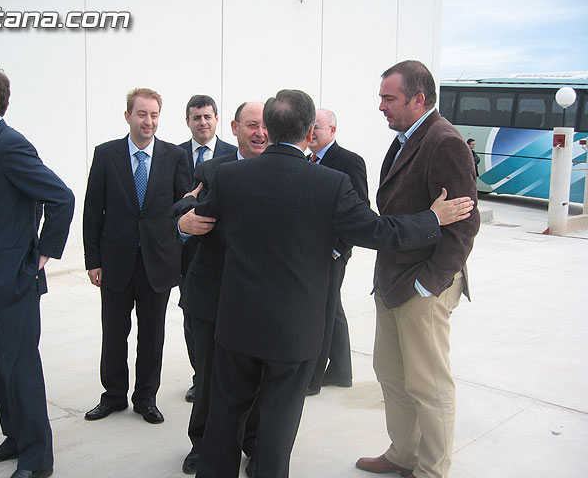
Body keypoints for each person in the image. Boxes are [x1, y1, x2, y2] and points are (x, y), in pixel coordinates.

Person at [187, 89, 475, 478]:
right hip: (294, 330)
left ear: (268, 129)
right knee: (277, 428)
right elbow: (377, 231)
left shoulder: (227, 175)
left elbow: (197, 216)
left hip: (236, 323)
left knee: (225, 419)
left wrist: (180, 219)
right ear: (309, 132)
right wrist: (432, 219)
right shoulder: (331, 184)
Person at [356, 60, 480, 478]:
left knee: (429, 385)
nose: (381, 107)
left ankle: (431, 469)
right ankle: (403, 453)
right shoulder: (407, 138)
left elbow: (464, 226)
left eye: (388, 99)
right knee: (390, 374)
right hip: (391, 282)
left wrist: (429, 285)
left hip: (423, 287)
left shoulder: (444, 142)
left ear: (419, 99)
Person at [0, 64, 75, 478]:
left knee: (21, 372)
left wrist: (40, 256)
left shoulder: (9, 145)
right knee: (1, 370)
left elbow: (61, 197)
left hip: (12, 282)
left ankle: (37, 460)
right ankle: (14, 438)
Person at [82, 88, 192, 425]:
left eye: (154, 115)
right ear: (128, 115)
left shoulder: (174, 156)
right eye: (142, 114)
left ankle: (145, 397)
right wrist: (93, 260)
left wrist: (179, 255)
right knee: (114, 333)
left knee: (152, 336)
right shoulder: (106, 154)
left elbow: (183, 208)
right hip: (115, 263)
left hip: (158, 263)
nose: (148, 121)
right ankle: (113, 396)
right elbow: (92, 210)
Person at [174, 102, 267, 475]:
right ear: (235, 128)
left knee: (259, 380)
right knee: (209, 378)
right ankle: (203, 445)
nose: (259, 132)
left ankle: (254, 443)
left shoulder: (281, 171)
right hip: (212, 294)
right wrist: (182, 223)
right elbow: (182, 208)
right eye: (251, 125)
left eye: (264, 126)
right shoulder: (213, 170)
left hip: (260, 296)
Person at [306, 108, 369, 396]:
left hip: (332, 252)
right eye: (310, 128)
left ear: (332, 131)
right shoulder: (308, 161)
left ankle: (314, 379)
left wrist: (338, 250)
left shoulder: (349, 161)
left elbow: (360, 210)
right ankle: (342, 371)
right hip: (313, 250)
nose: (313, 133)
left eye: (318, 127)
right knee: (333, 308)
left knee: (322, 311)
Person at [178, 94, 237, 403]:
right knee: (193, 319)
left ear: (217, 120)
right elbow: (171, 205)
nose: (202, 122)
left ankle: (219, 377)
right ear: (188, 121)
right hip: (186, 253)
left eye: (207, 117)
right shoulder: (173, 155)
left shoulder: (234, 153)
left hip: (223, 255)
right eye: (196, 117)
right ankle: (199, 376)